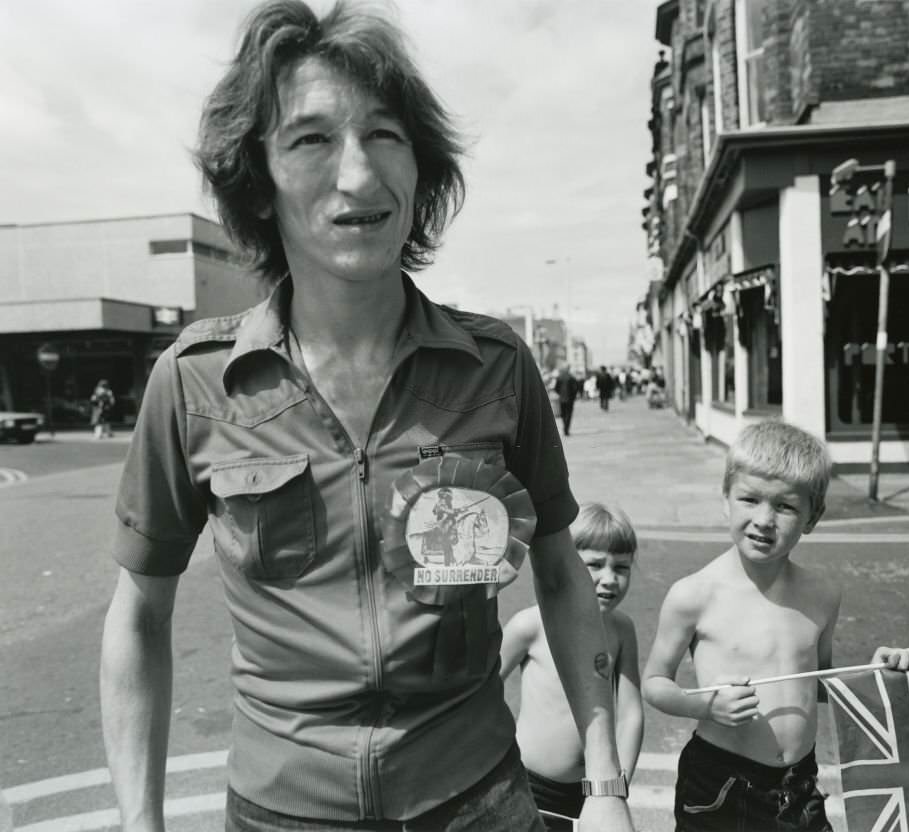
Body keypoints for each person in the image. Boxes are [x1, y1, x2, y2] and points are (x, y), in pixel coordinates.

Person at [98, 3, 633, 831]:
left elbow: (562, 576)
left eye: (384, 134)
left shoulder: (497, 369)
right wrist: (141, 822)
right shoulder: (194, 382)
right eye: (310, 139)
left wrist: (604, 788)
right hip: (281, 811)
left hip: (479, 800)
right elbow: (138, 613)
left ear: (421, 169)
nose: (358, 174)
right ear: (259, 180)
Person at [642, 420, 909, 832]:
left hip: (799, 785)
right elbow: (654, 683)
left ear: (813, 516)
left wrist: (872, 674)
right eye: (750, 499)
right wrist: (706, 707)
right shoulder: (694, 594)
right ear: (726, 500)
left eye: (785, 506)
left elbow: (815, 682)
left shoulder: (822, 594)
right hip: (721, 783)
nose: (764, 519)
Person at [501, 503, 644, 831]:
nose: (610, 579)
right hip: (529, 784)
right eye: (595, 565)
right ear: (571, 566)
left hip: (590, 789)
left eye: (621, 568)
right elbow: (485, 687)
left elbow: (631, 713)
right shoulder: (531, 625)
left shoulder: (622, 630)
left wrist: (616, 790)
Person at [553, 363, 581, 437]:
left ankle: (565, 427)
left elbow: (556, 388)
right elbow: (576, 388)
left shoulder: (559, 377)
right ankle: (566, 429)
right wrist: (573, 396)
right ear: (569, 369)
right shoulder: (571, 377)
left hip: (562, 399)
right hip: (570, 399)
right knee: (568, 414)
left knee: (563, 414)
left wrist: (560, 394)